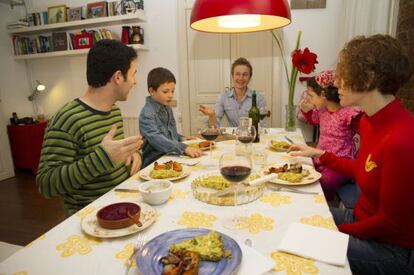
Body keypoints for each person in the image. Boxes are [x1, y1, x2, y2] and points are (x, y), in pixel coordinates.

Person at [289, 34, 414, 274]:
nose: (336, 83)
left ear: (367, 79)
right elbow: (362, 169)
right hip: (360, 219)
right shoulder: (370, 121)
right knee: (296, 211)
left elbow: (390, 223)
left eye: (343, 74)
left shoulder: (402, 139)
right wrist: (319, 153)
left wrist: (336, 232)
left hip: (390, 249)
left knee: (303, 248)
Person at [37, 40, 143, 217]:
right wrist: (102, 159)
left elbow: (112, 157)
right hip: (90, 219)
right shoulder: (67, 119)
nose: (135, 82)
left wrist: (132, 155)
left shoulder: (114, 111)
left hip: (123, 207)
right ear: (118, 77)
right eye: (133, 74)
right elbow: (46, 184)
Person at [299, 70, 362, 201]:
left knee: (326, 180)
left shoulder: (347, 113)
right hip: (321, 159)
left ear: (323, 94)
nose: (309, 100)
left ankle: (324, 204)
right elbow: (313, 120)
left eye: (311, 96)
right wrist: (306, 111)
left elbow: (363, 128)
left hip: (341, 164)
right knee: (303, 169)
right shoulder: (322, 111)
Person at [139, 67, 203, 168]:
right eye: (165, 92)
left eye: (172, 91)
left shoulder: (167, 108)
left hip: (170, 156)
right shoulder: (147, 114)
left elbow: (169, 134)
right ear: (151, 91)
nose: (170, 95)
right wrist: (183, 148)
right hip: (154, 163)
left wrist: (181, 138)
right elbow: (157, 139)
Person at [198, 57, 267, 127]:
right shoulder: (223, 97)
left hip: (252, 136)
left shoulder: (259, 98)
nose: (241, 78)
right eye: (237, 74)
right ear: (232, 76)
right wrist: (212, 115)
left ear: (250, 77)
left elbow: (262, 126)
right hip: (233, 137)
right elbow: (215, 127)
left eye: (245, 74)